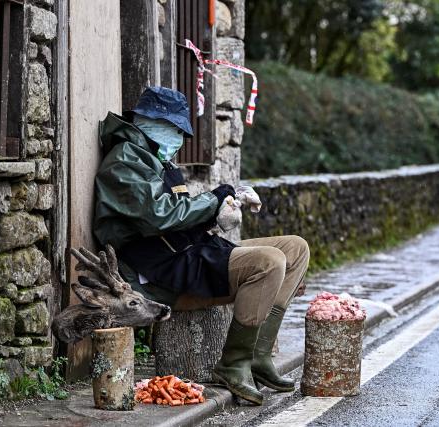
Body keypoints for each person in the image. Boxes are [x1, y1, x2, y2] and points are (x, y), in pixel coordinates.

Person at [93, 86, 310, 405]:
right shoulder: (125, 160)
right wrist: (214, 200)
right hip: (156, 274)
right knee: (270, 262)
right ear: (154, 123)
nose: (180, 139)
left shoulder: (152, 159)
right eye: (176, 130)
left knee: (295, 248)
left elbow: (177, 216)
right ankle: (233, 365)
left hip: (185, 254)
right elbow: (157, 216)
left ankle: (259, 356)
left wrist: (223, 208)